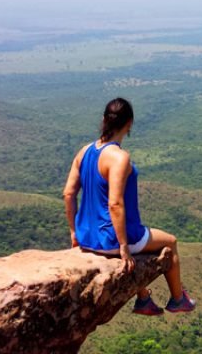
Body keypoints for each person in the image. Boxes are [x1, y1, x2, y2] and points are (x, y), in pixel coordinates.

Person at [63, 97, 195, 315]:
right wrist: (123, 246)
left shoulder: (84, 152)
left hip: (86, 237)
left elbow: (68, 194)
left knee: (131, 248)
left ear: (103, 120)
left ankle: (144, 298)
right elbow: (115, 203)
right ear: (129, 123)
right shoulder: (119, 157)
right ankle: (178, 299)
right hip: (112, 239)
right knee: (170, 242)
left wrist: (73, 232)